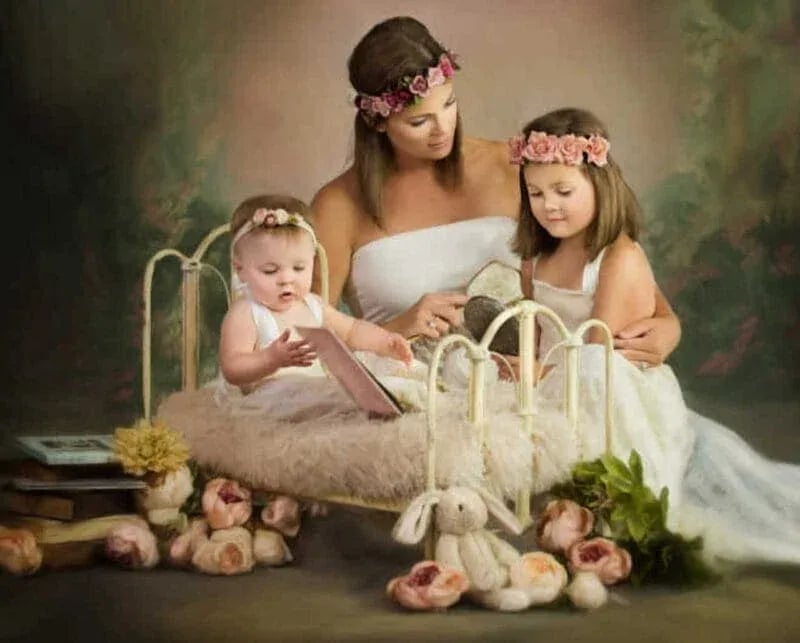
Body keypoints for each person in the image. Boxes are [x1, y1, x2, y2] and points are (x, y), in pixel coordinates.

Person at [510, 106, 800, 565]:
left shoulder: (618, 257)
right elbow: (533, 328)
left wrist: (531, 371)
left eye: (564, 190)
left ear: (599, 186)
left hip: (609, 391)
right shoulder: (534, 261)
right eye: (536, 193)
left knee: (586, 372)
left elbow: (595, 355)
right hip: (553, 383)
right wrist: (517, 366)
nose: (549, 205)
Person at [310, 16, 679, 369]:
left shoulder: (514, 166)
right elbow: (307, 339)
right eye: (419, 121)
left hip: (532, 387)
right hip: (413, 389)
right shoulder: (338, 206)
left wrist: (667, 325)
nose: (443, 129)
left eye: (450, 104)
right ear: (377, 121)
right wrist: (394, 330)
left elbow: (613, 262)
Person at [220, 194, 413, 394]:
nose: (287, 279)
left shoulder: (312, 305)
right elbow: (232, 368)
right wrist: (271, 358)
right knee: (330, 395)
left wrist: (385, 341)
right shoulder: (246, 312)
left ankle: (399, 394)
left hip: (312, 391)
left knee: (383, 372)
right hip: (270, 396)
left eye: (299, 268)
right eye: (270, 271)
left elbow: (351, 331)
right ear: (240, 269)